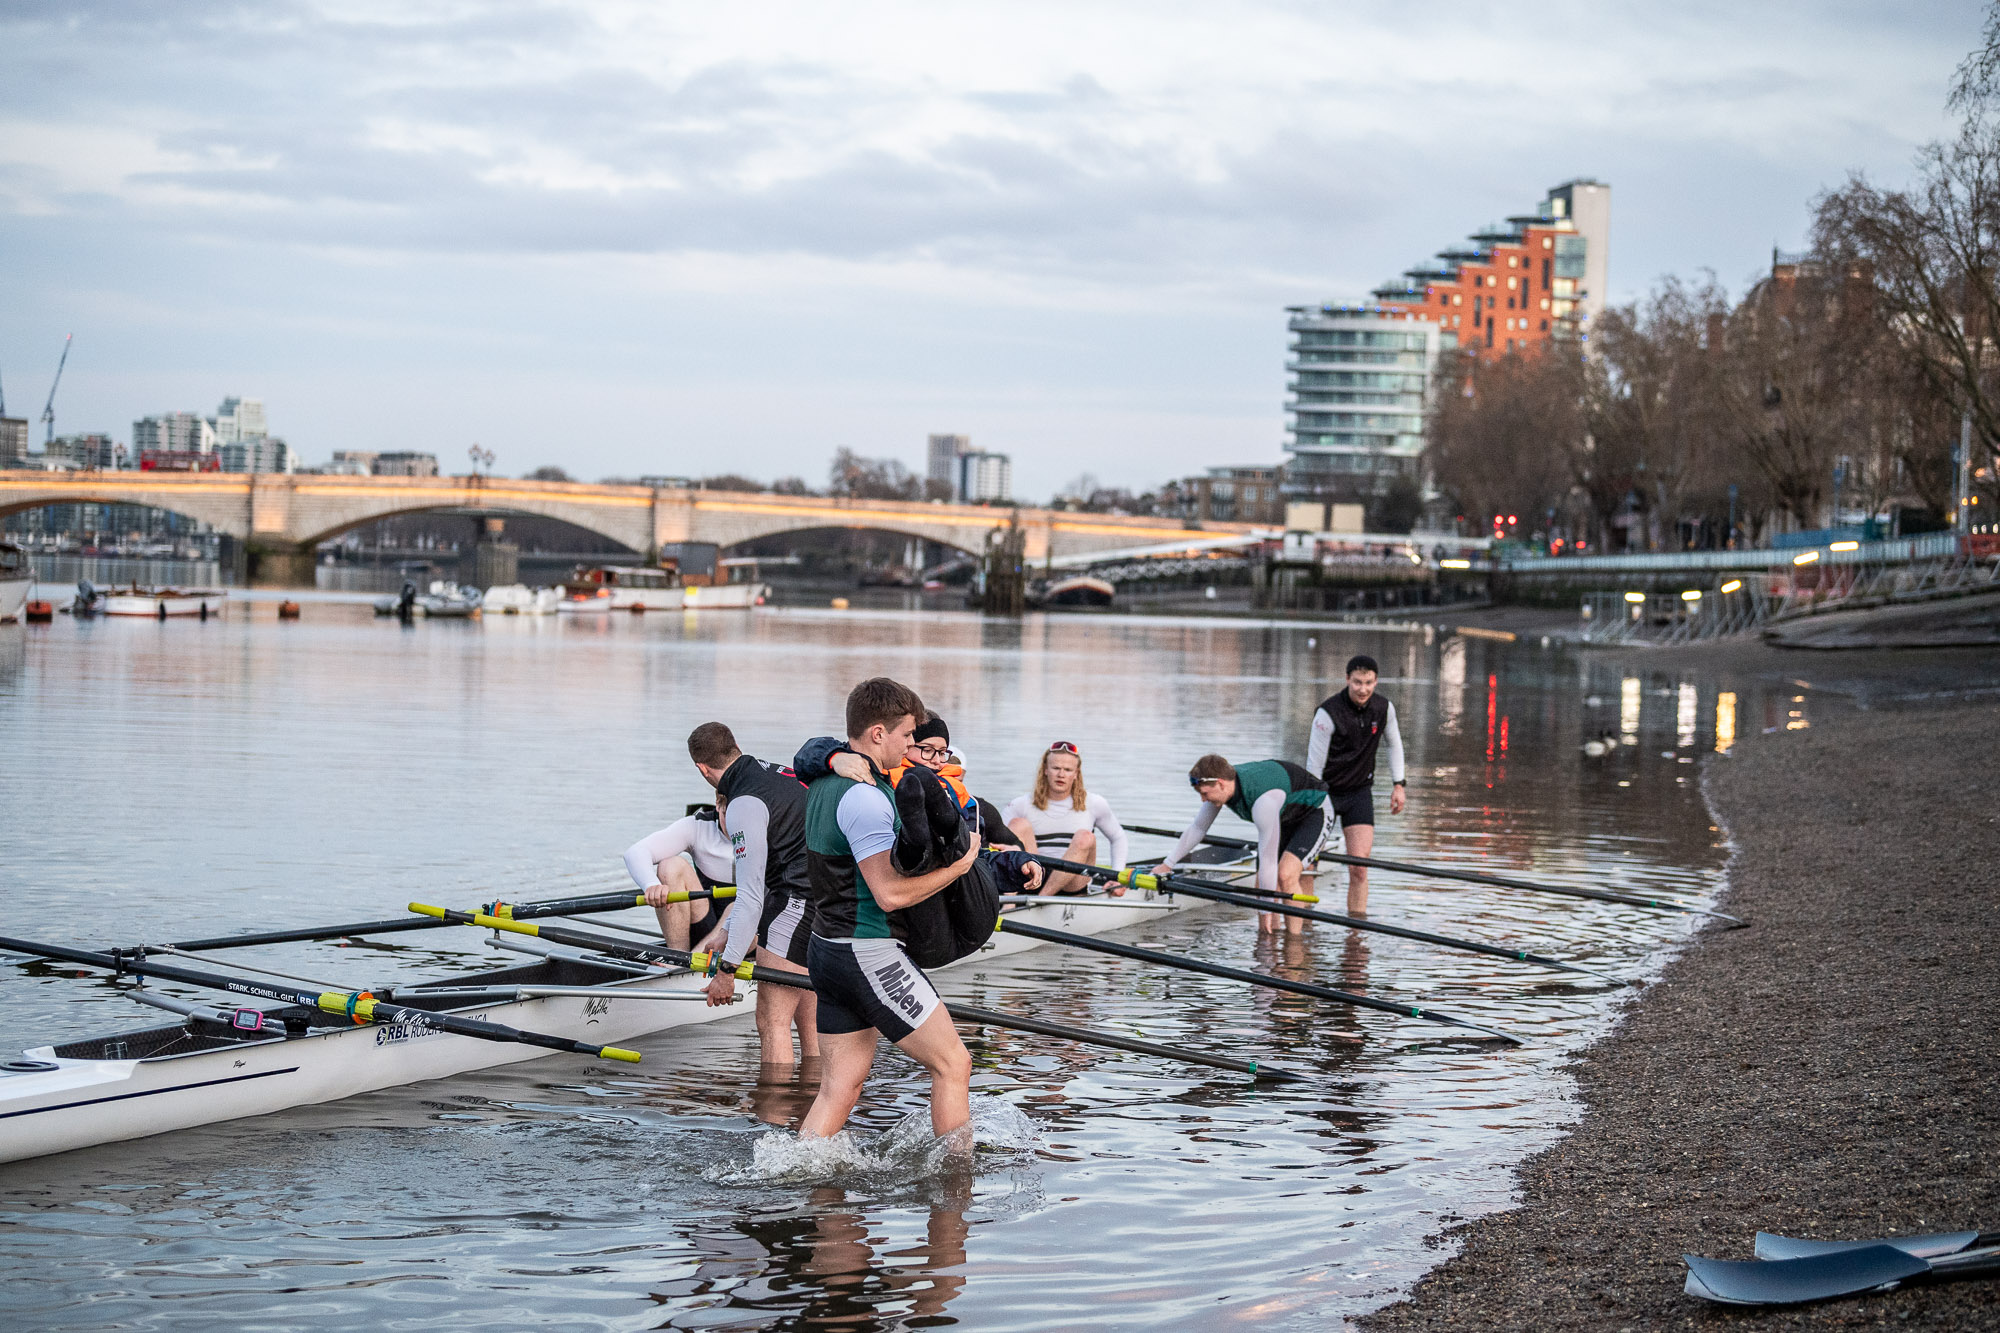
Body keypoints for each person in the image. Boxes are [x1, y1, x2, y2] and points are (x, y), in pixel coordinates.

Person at [798, 678, 982, 1144]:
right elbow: (889, 895)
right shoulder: (865, 798)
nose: (909, 748)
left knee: (839, 1088)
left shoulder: (822, 777)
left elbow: (808, 755)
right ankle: (957, 1189)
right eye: (905, 737)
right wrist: (960, 866)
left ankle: (793, 1172)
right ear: (878, 733)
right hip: (867, 950)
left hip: (826, 949)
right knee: (953, 1063)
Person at [687, 722, 820, 1065]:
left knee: (772, 1022)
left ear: (702, 769)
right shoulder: (784, 773)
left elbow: (749, 897)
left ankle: (772, 1116)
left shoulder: (742, 803)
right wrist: (729, 934)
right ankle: (812, 1105)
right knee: (808, 1021)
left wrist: (726, 971)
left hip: (794, 905)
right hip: (829, 903)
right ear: (735, 748)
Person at [1159, 755, 1328, 934]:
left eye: (1204, 793)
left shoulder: (1262, 802)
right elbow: (1198, 828)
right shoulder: (1222, 786)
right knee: (1261, 886)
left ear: (1221, 783)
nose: (1203, 800)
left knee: (1285, 874)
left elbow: (1268, 861)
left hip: (1314, 810)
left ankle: (1294, 944)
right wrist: (1167, 864)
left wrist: (1265, 910)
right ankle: (1271, 943)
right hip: (1284, 815)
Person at [1305, 653, 1407, 915]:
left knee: (1359, 867)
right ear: (1347, 679)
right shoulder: (1327, 713)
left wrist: (1399, 784)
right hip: (1324, 793)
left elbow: (1394, 744)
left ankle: (1356, 933)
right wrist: (1309, 804)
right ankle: (1303, 926)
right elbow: (1314, 765)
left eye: (1369, 683)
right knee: (1309, 865)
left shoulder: (1384, 708)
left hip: (1359, 794)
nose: (1363, 689)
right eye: (1358, 682)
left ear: (1376, 682)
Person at [1001, 742, 1129, 895]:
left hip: (1073, 881)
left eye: (1068, 770)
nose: (1061, 774)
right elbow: (997, 843)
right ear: (1046, 770)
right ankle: (1008, 901)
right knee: (1017, 825)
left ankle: (1042, 899)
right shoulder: (1020, 804)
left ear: (1076, 774)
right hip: (1034, 873)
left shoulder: (1095, 803)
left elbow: (1118, 837)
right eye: (1056, 768)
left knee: (1085, 837)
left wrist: (1118, 876)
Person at [621, 802, 735, 951]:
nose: (736, 825)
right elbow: (635, 852)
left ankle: (687, 963)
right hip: (707, 922)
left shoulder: (771, 832)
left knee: (740, 906)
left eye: (741, 816)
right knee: (670, 866)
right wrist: (651, 885)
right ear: (719, 805)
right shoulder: (700, 826)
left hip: (751, 933)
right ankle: (677, 956)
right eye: (728, 815)